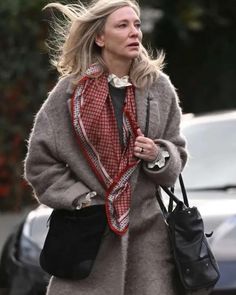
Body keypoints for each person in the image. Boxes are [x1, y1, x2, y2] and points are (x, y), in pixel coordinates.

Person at [24, 0, 202, 294]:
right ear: (99, 37)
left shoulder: (159, 88)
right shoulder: (69, 93)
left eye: (137, 24)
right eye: (123, 25)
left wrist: (157, 156)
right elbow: (40, 164)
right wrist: (80, 198)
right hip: (86, 242)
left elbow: (176, 155)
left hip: (149, 245)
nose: (134, 32)